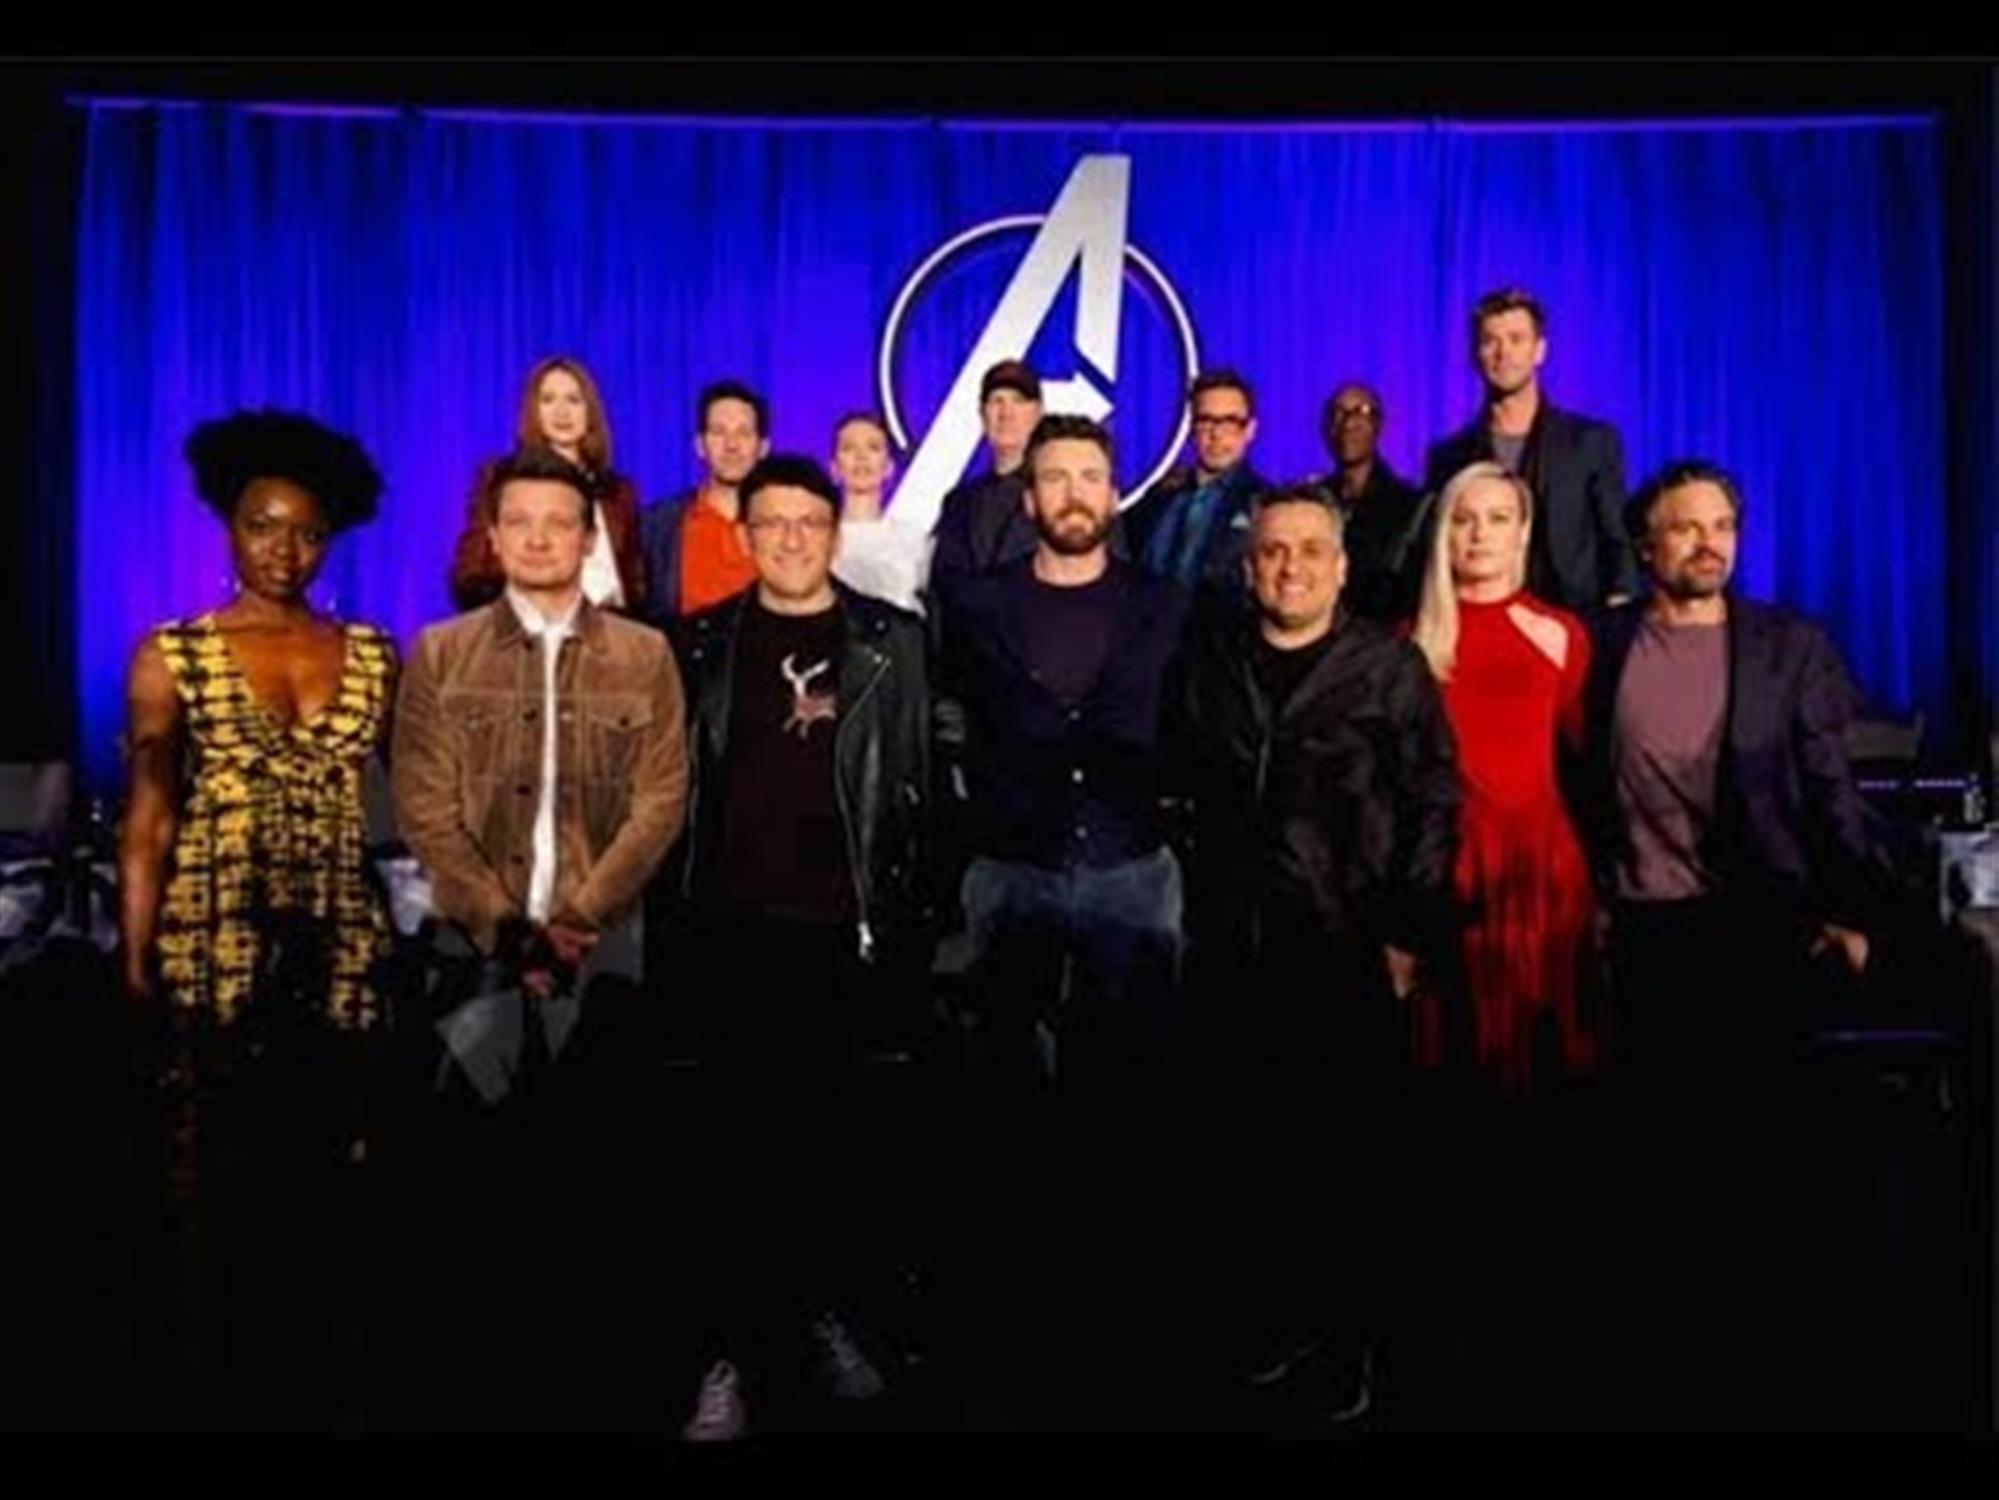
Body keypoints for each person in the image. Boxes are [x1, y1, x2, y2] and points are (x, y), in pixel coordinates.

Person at [116, 407, 399, 1423]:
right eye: (263, 526)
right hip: (214, 923)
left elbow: (405, 804)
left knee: (337, 1151)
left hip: (337, 927)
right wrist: (136, 952)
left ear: (331, 539)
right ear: (229, 527)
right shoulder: (173, 654)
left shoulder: (373, 653)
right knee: (206, 1157)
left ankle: (326, 1367)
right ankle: (205, 1374)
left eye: (306, 532)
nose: (284, 550)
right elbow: (149, 816)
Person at [447, 355, 646, 612]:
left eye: (573, 400)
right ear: (534, 411)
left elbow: (635, 581)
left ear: (590, 412)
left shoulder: (618, 492)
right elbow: (470, 572)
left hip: (610, 623)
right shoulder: (500, 478)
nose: (562, 412)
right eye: (548, 400)